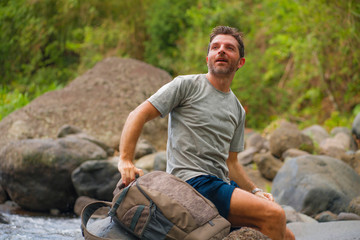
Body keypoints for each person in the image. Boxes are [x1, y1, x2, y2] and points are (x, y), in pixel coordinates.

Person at [118, 26, 295, 240]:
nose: (221, 51)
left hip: (219, 185)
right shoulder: (186, 85)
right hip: (190, 184)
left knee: (287, 236)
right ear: (208, 58)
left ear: (241, 62)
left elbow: (232, 164)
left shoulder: (237, 109)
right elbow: (137, 114)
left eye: (229, 48)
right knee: (274, 215)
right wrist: (125, 160)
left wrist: (256, 191)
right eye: (215, 47)